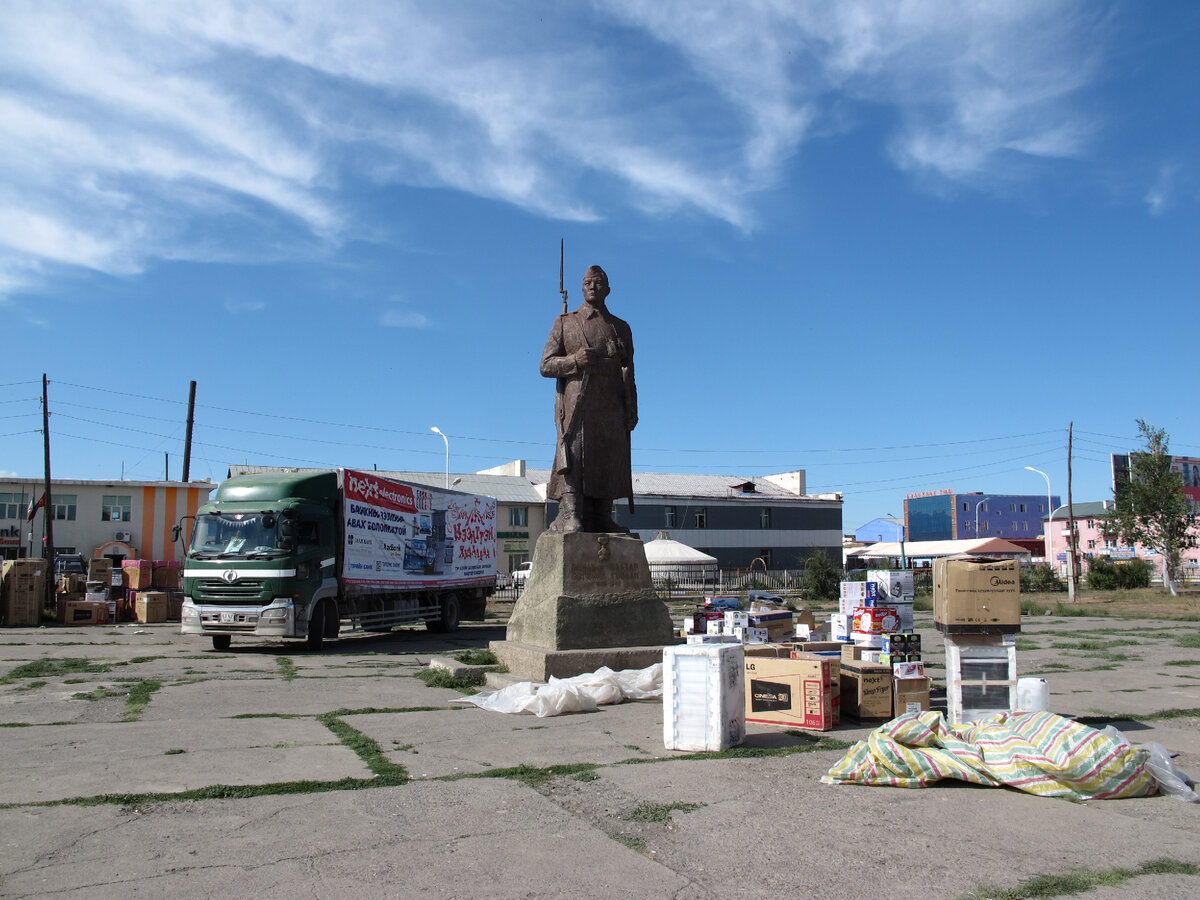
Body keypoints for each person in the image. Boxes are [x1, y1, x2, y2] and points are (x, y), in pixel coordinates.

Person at [540, 265, 637, 533]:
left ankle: (603, 516)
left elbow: (630, 373)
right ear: (582, 288)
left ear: (608, 289)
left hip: (610, 406)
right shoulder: (565, 322)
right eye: (588, 282)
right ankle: (571, 513)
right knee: (574, 455)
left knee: (607, 457)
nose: (593, 286)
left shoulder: (621, 328)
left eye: (598, 282)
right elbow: (545, 365)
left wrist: (632, 408)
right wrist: (574, 361)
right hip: (577, 405)